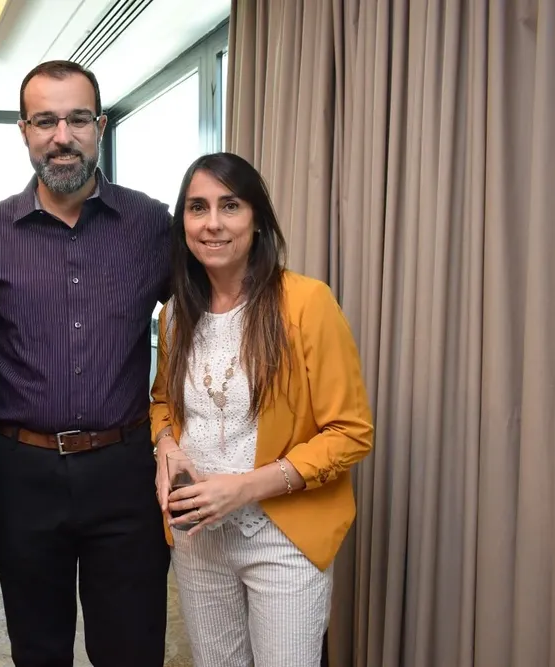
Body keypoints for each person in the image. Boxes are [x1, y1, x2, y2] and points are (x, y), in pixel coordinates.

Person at [0, 60, 172, 666]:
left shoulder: (152, 226)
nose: (62, 135)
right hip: (19, 476)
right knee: (39, 647)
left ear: (99, 126)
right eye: (45, 120)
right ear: (23, 131)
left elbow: (207, 324)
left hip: (124, 473)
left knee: (131, 649)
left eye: (78, 118)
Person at [150, 152, 374, 666]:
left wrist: (245, 487)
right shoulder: (176, 314)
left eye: (230, 206)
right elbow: (162, 401)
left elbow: (351, 432)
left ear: (257, 219)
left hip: (283, 536)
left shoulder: (307, 303)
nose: (212, 223)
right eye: (196, 207)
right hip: (197, 540)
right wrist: (166, 445)